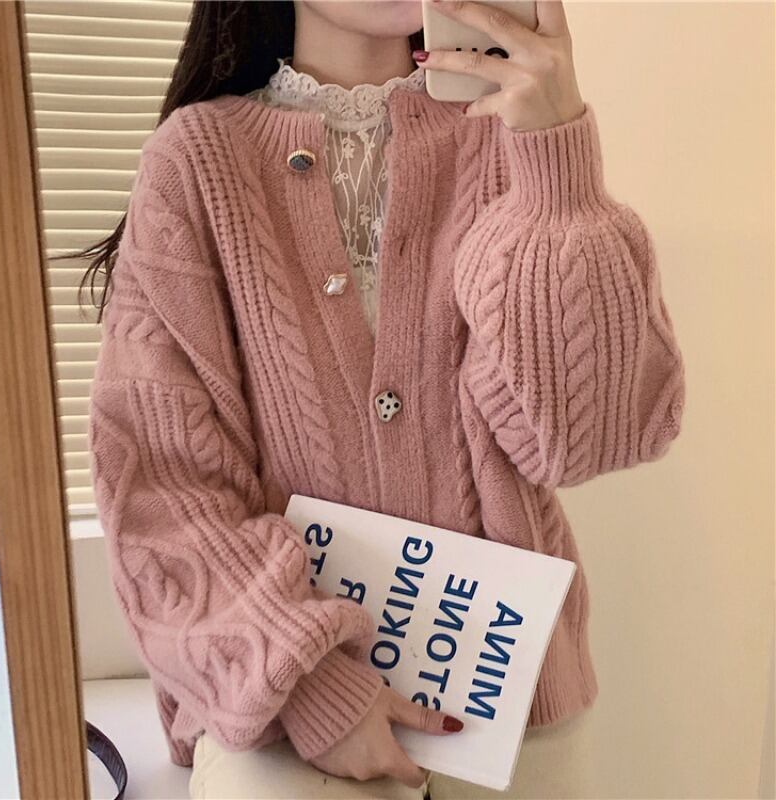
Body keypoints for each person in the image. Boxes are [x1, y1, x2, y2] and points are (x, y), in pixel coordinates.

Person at [80, 1, 686, 797]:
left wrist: (557, 172)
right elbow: (162, 489)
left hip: (507, 705)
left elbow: (586, 440)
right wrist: (305, 683)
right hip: (279, 706)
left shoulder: (510, 138)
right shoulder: (197, 160)